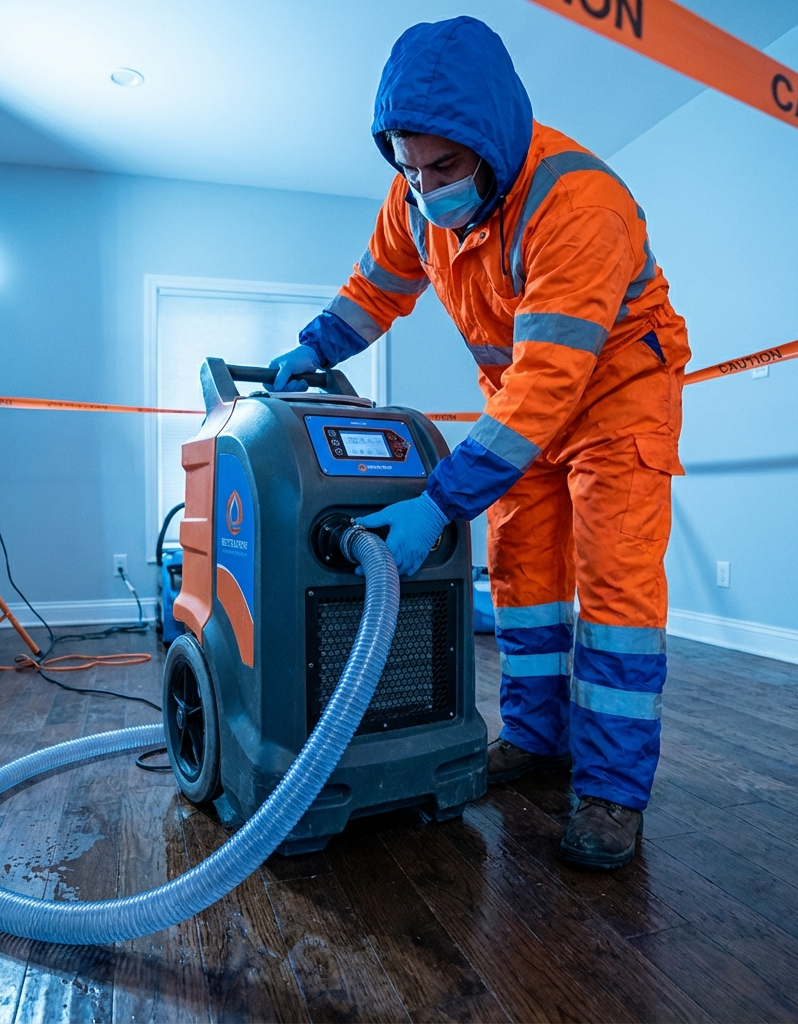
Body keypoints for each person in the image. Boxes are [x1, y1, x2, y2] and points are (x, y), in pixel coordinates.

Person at [269, 16, 689, 870]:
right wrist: (315, 345)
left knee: (615, 596)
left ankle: (611, 793)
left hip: (614, 398)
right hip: (516, 403)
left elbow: (554, 378)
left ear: (491, 143)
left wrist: (439, 500)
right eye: (407, 165)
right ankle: (536, 743)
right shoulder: (416, 197)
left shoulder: (579, 204)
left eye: (444, 168)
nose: (425, 188)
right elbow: (376, 288)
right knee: (527, 579)